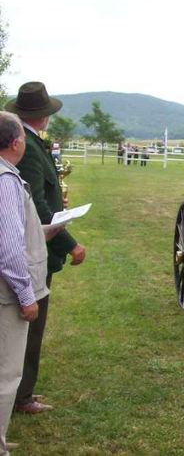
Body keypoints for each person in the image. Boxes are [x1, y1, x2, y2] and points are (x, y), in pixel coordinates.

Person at [4, 81, 86, 415]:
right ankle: (20, 395)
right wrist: (71, 244)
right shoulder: (27, 149)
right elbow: (36, 205)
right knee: (29, 325)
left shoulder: (32, 144)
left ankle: (23, 389)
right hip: (32, 250)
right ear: (42, 116)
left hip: (34, 246)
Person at [0, 112, 63, 453]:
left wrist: (43, 232)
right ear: (14, 143)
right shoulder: (6, 180)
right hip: (6, 295)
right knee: (7, 374)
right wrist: (27, 296)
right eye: (22, 138)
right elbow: (9, 249)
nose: (25, 142)